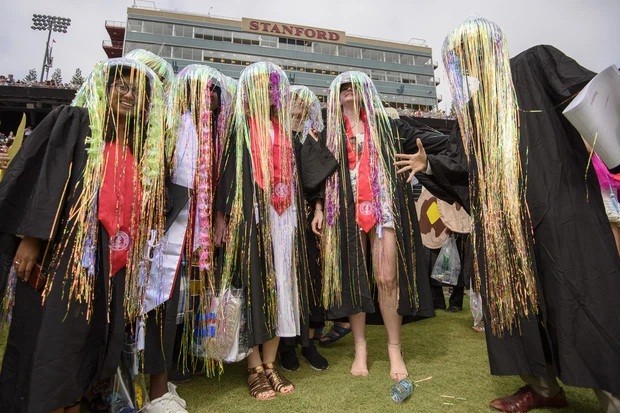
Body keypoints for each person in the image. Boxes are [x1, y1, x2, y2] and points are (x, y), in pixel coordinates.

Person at [398, 17, 620, 413]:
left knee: (581, 295)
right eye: (459, 55)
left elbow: (594, 94)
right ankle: (544, 388)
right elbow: (461, 166)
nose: (467, 60)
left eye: (472, 48)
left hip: (561, 210)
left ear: (492, 44)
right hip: (506, 229)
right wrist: (428, 164)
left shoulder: (536, 64)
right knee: (518, 306)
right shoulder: (472, 110)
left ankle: (613, 393)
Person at [0, 58, 167, 412]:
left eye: (137, 90)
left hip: (112, 263)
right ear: (103, 89)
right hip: (67, 257)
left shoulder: (138, 149)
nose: (128, 94)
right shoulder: (76, 122)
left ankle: (76, 402)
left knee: (91, 339)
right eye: (121, 85)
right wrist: (31, 237)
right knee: (57, 337)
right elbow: (44, 179)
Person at [318, 71, 446, 380]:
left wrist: (423, 160)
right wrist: (319, 208)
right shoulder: (327, 132)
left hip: (382, 208)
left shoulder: (387, 126)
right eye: (343, 87)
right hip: (344, 211)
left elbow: (434, 140)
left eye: (354, 87)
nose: (349, 91)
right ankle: (360, 348)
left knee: (387, 278)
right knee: (354, 278)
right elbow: (316, 175)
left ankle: (393, 349)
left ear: (366, 92)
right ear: (336, 95)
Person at [215, 61, 309, 400]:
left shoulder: (281, 129)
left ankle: (271, 363)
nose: (268, 94)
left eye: (272, 88)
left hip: (283, 219)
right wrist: (223, 216)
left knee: (282, 285)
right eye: (261, 87)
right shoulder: (238, 126)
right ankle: (253, 366)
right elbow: (226, 174)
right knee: (253, 285)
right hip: (252, 217)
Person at [278, 85, 336, 371]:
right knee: (286, 277)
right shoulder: (276, 133)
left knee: (313, 276)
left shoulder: (314, 135)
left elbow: (321, 181)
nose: (297, 103)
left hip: (306, 216)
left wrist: (319, 209)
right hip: (280, 216)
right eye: (292, 98)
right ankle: (287, 344)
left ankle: (310, 342)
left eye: (303, 100)